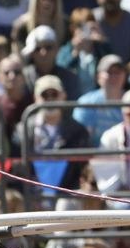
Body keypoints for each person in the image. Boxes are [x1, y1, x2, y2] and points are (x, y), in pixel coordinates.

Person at [15, 74, 91, 209]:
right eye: (45, 95)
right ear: (36, 99)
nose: (50, 100)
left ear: (63, 96)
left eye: (54, 94)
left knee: (66, 205)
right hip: (31, 195)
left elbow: (82, 170)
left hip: (67, 195)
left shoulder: (78, 131)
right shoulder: (22, 130)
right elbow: (16, 169)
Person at [74, 54, 129, 145]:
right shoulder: (86, 103)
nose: (114, 76)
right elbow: (80, 138)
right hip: (94, 156)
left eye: (118, 72)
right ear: (98, 76)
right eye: (110, 72)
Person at [20, 25, 80, 101]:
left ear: (57, 49)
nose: (43, 52)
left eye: (48, 47)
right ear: (31, 53)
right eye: (37, 49)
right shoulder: (23, 77)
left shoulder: (70, 78)